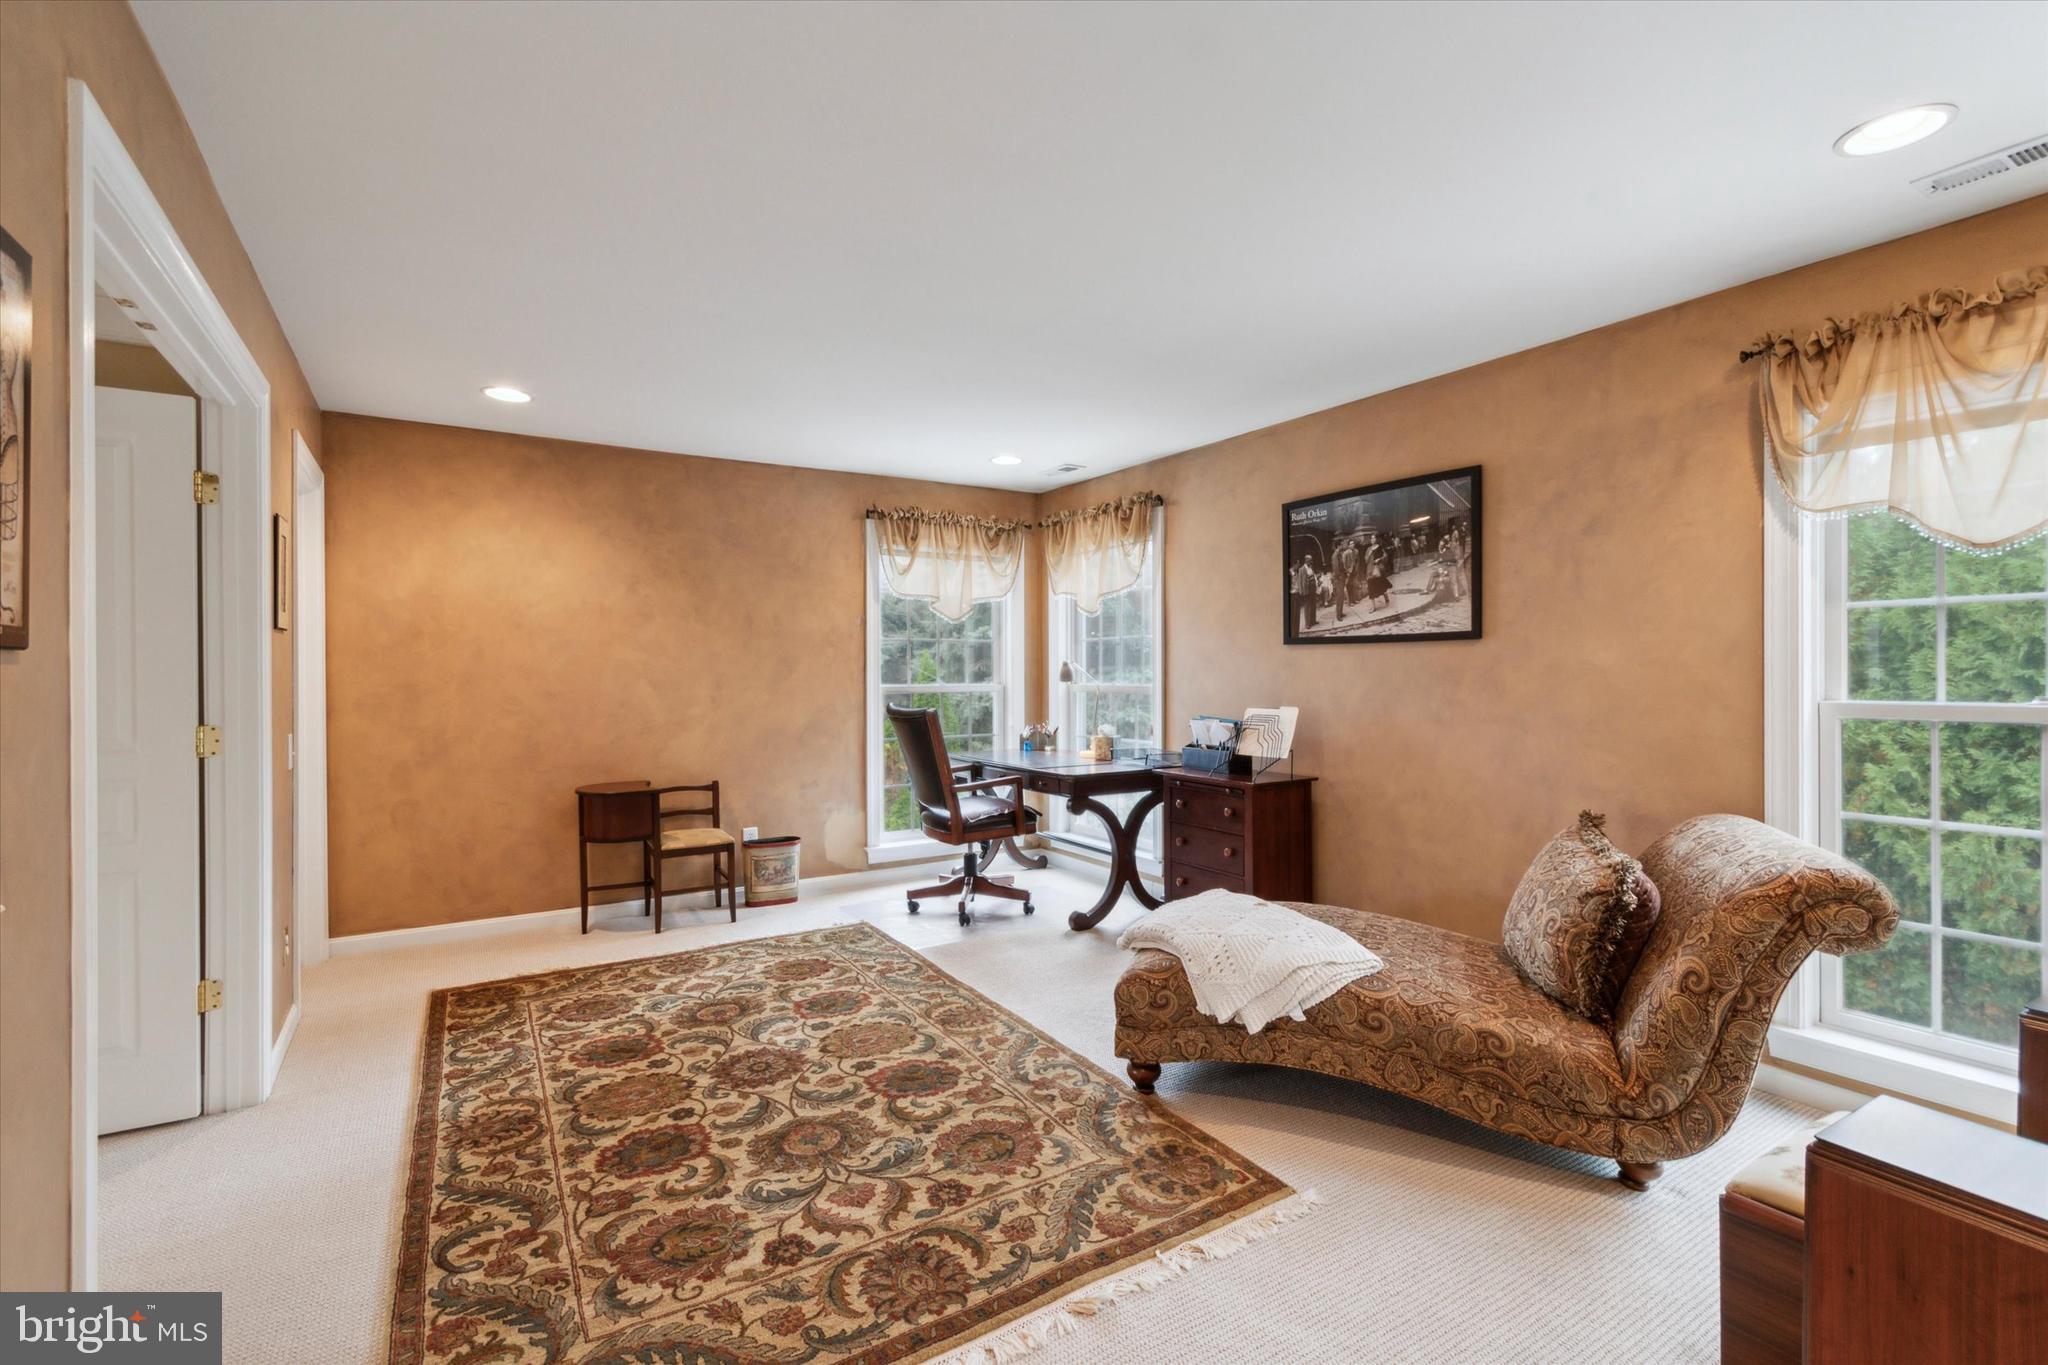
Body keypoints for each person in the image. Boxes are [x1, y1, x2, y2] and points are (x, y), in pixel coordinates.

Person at [1332, 537, 1359, 620]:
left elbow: (1342, 566)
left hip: (1342, 577)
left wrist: (1345, 573)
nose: (1342, 546)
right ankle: (1338, 616)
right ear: (1338, 546)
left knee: (1341, 596)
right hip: (1339, 579)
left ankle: (1340, 612)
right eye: (1341, 545)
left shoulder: (1339, 554)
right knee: (1339, 597)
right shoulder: (1335, 555)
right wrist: (1340, 576)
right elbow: (1336, 568)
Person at [1291, 552, 1318, 635]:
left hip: (1312, 588)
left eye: (1311, 560)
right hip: (1306, 589)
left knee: (1313, 604)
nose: (1311, 561)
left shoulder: (1311, 567)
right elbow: (1301, 581)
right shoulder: (1302, 569)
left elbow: (1313, 576)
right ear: (1306, 560)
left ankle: (1313, 620)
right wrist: (1302, 591)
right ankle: (1307, 624)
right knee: (1307, 606)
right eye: (1310, 560)